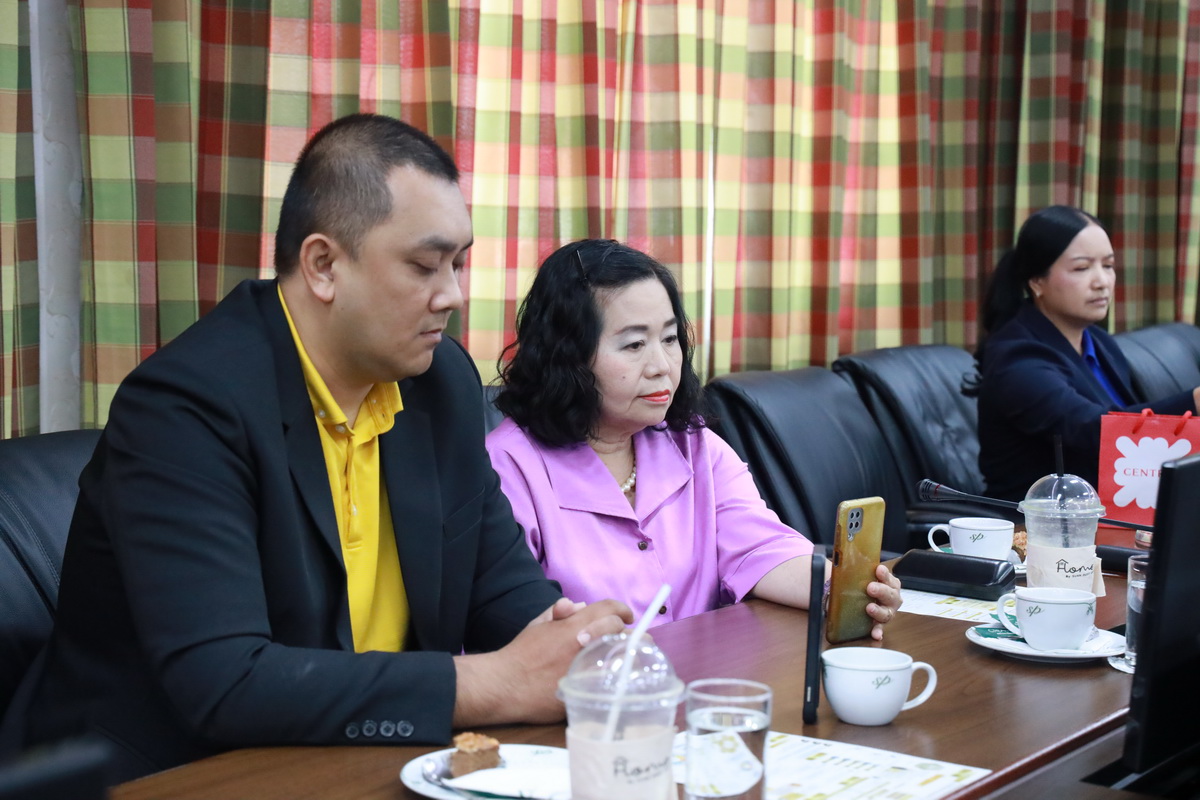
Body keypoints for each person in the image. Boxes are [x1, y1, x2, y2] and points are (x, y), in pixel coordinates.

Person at [16, 115, 631, 783]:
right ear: (324, 265)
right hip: (169, 775)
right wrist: (494, 683)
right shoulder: (185, 408)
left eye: (457, 263)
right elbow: (224, 681)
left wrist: (564, 643)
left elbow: (499, 582)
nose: (453, 295)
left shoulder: (441, 384)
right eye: (425, 266)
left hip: (363, 761)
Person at [485, 239, 902, 632]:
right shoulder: (506, 466)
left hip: (705, 674)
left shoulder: (692, 444)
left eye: (670, 338)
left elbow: (760, 547)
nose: (662, 365)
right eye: (634, 345)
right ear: (568, 355)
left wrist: (843, 590)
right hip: (588, 683)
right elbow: (512, 619)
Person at [969, 205, 1200, 502]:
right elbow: (1090, 430)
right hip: (1035, 523)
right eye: (1081, 268)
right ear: (1037, 281)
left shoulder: (1098, 342)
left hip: (1108, 510)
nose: (1102, 281)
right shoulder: (1017, 359)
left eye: (1108, 265)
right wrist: (1193, 402)